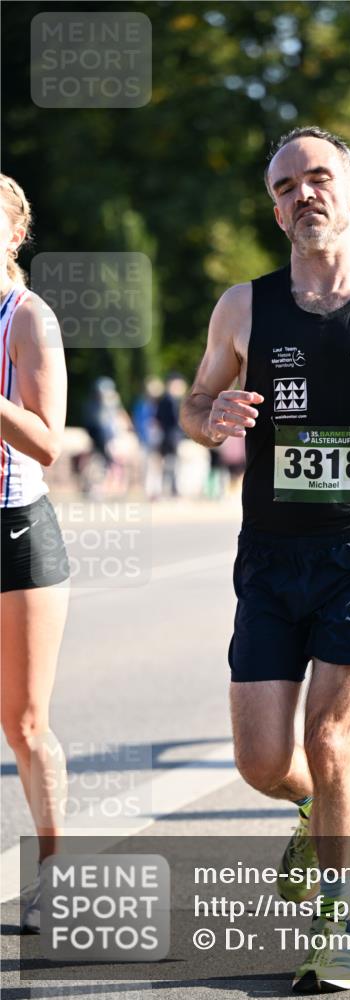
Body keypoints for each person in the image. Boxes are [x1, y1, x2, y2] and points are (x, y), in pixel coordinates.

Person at [181, 126, 350, 992]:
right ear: (273, 207)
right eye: (286, 185)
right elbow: (195, 399)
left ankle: (333, 927)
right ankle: (309, 810)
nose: (305, 193)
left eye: (320, 178)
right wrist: (212, 413)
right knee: (264, 761)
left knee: (331, 739)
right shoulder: (243, 306)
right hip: (268, 550)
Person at [0, 173, 70, 931]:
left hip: (14, 528)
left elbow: (49, 442)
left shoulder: (29, 318)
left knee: (22, 722)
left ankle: (55, 869)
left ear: (13, 235)